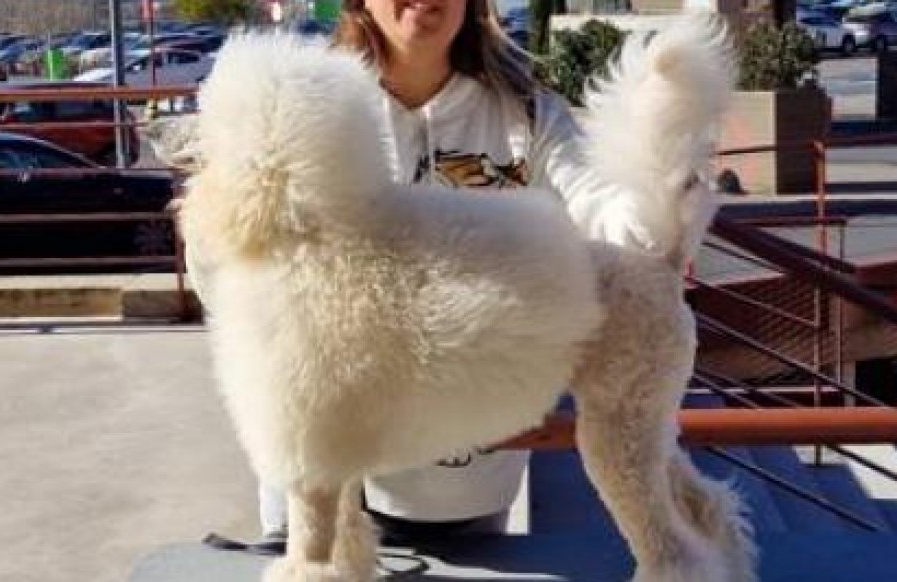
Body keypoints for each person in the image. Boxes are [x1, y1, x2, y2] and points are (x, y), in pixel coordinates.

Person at [257, 0, 653, 545]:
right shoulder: (305, 111)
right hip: (329, 479)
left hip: (475, 476)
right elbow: (245, 270)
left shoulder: (528, 113)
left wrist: (654, 211)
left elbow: (594, 199)